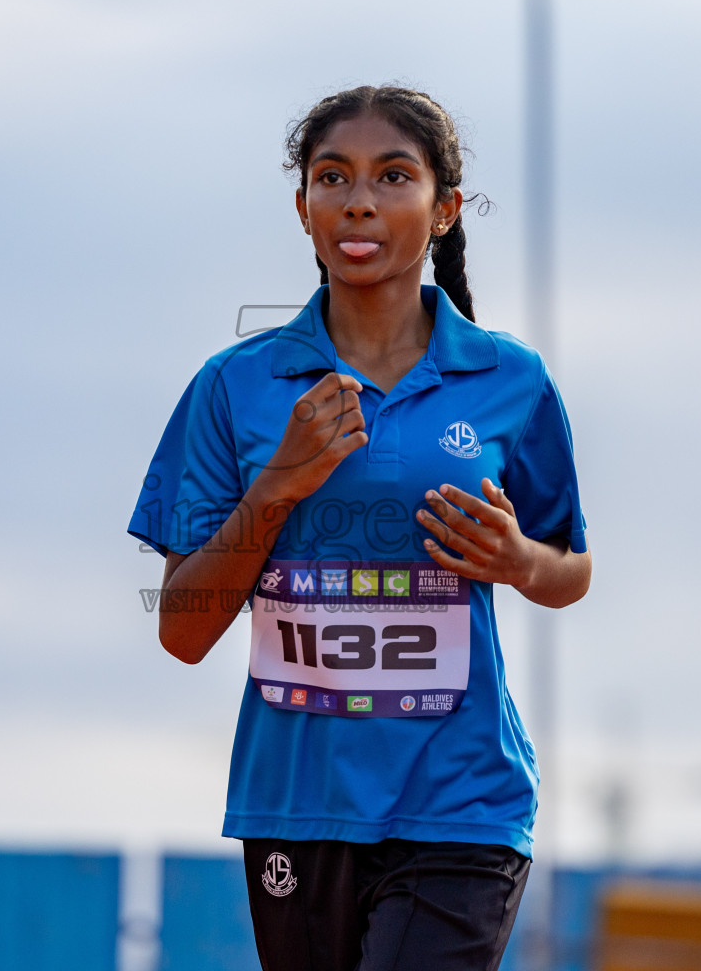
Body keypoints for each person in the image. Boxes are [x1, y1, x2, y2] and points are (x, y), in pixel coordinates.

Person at [128, 85, 591, 971]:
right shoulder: (237, 388)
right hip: (296, 805)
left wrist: (520, 559)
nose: (360, 200)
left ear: (445, 209)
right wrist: (277, 487)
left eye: (394, 176)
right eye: (332, 177)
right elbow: (183, 631)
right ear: (304, 208)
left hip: (462, 802)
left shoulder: (511, 382)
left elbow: (572, 568)